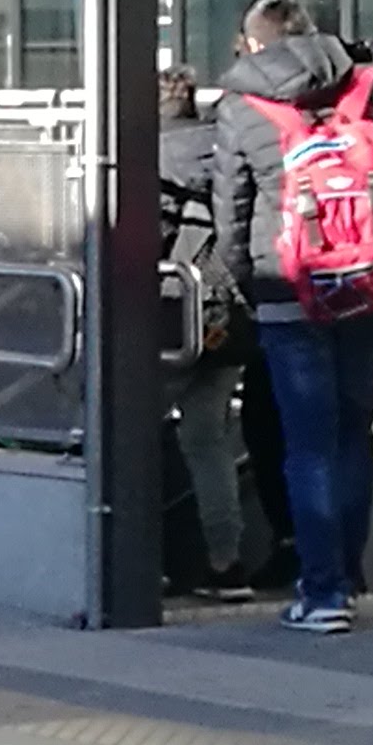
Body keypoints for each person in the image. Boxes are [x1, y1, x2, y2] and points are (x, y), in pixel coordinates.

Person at [214, 0, 373, 634]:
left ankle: (322, 589)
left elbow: (232, 213)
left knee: (306, 443)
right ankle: (349, 575)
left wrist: (250, 284)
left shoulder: (241, 105)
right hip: (368, 281)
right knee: (352, 432)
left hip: (289, 289)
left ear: (255, 44)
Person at [159, 68, 260, 601]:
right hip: (224, 317)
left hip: (166, 320)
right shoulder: (224, 149)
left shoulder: (149, 156)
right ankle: (226, 563)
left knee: (130, 433)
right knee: (208, 440)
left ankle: (137, 554)